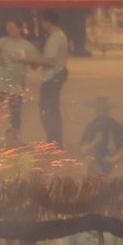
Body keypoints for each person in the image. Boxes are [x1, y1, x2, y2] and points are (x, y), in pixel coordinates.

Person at [34, 14, 70, 146]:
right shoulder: (59, 36)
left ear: (47, 21)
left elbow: (50, 61)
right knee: (51, 108)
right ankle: (54, 139)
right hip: (55, 77)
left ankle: (54, 139)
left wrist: (30, 60)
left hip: (51, 78)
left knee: (48, 108)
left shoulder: (55, 37)